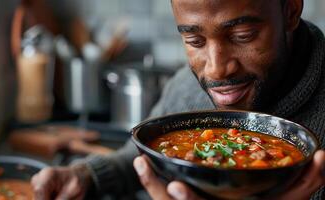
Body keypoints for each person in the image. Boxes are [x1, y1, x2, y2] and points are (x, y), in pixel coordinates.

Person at [31, 0, 325, 199]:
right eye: (195, 41)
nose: (216, 69)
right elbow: (146, 157)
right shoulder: (186, 86)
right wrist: (85, 177)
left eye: (243, 35)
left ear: (290, 10)